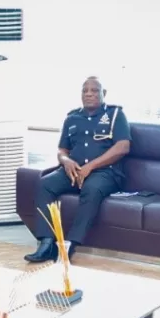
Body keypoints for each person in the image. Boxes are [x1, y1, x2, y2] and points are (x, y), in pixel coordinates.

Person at [25, 77, 132, 263]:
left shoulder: (115, 115)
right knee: (44, 184)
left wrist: (91, 166)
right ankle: (47, 242)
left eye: (94, 90)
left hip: (105, 173)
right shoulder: (72, 118)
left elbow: (123, 147)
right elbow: (62, 150)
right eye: (85, 90)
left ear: (103, 93)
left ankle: (69, 245)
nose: (89, 94)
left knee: (91, 188)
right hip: (73, 171)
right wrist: (66, 161)